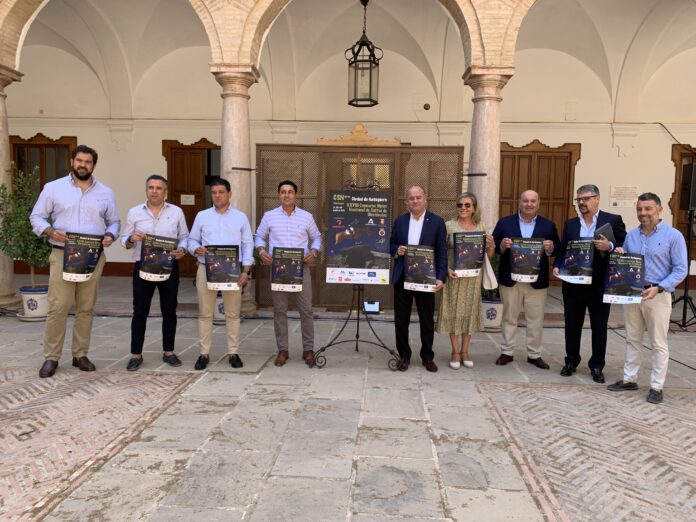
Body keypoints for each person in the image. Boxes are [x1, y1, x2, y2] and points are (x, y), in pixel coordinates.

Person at [29, 145, 120, 378]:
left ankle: (80, 354)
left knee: (86, 307)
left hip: (92, 256)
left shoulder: (105, 192)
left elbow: (114, 221)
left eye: (88, 162)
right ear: (72, 162)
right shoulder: (53, 188)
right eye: (79, 160)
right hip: (62, 254)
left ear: (93, 165)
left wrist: (110, 235)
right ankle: (51, 357)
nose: (83, 165)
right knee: (58, 307)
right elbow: (36, 216)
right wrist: (49, 231)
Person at [607, 193, 687, 404]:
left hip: (657, 295)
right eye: (640, 209)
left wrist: (660, 288)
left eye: (648, 209)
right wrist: (621, 254)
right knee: (632, 338)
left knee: (658, 342)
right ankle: (629, 378)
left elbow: (681, 269)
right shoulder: (632, 235)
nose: (643, 213)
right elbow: (628, 262)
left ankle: (656, 386)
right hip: (632, 293)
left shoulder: (673, 236)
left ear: (659, 209)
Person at [552, 184, 626, 383]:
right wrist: (558, 265)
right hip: (573, 282)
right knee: (572, 324)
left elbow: (624, 245)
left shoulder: (612, 220)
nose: (582, 203)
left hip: (600, 283)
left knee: (599, 326)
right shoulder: (570, 224)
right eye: (579, 200)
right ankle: (571, 361)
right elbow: (563, 249)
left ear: (597, 199)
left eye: (585, 199)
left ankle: (596, 366)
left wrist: (609, 246)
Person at [121, 175, 189, 371]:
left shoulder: (176, 212)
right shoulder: (134, 212)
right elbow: (124, 239)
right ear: (146, 191)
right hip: (142, 267)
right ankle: (136, 354)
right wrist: (132, 239)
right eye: (151, 187)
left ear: (165, 192)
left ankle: (169, 351)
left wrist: (182, 250)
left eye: (159, 188)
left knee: (169, 310)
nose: (154, 191)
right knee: (140, 311)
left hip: (168, 267)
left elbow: (184, 237)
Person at [188, 178, 254, 370]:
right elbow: (192, 240)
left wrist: (246, 270)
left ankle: (233, 353)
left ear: (229, 194)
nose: (217, 195)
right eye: (214, 192)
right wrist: (196, 249)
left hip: (232, 271)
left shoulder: (241, 217)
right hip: (206, 270)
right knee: (205, 313)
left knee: (232, 314)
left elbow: (248, 244)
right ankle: (204, 353)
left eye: (221, 192)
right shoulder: (202, 216)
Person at [255, 180, 321, 368]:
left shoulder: (307, 217)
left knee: (306, 310)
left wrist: (313, 252)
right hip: (279, 269)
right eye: (283, 192)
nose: (286, 195)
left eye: (290, 192)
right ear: (279, 195)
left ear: (295, 195)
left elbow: (317, 237)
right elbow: (259, 236)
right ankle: (282, 349)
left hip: (301, 268)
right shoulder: (269, 216)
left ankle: (308, 349)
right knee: (280, 310)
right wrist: (261, 251)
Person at [492, 190, 560, 369]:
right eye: (525, 201)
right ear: (519, 203)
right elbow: (494, 246)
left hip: (536, 280)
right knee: (509, 316)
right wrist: (502, 245)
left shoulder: (548, 225)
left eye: (532, 201)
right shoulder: (505, 222)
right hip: (510, 278)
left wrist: (551, 247)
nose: (529, 204)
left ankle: (534, 354)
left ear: (538, 204)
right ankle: (507, 351)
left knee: (535, 318)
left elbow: (558, 247)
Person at [390, 185, 447, 372]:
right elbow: (391, 245)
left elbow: (441, 252)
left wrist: (441, 278)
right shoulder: (400, 221)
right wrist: (396, 251)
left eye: (418, 197)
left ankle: (427, 356)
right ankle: (404, 355)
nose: (415, 201)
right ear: (407, 202)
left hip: (426, 279)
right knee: (401, 320)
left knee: (426, 319)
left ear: (425, 199)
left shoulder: (437, 222)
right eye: (411, 198)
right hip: (403, 277)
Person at [437, 192, 494, 369]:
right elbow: (440, 252)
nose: (463, 208)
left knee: (468, 312)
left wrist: (491, 245)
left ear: (474, 208)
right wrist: (446, 270)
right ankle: (455, 352)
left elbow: (487, 257)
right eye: (460, 205)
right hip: (454, 276)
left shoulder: (481, 227)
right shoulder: (448, 226)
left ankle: (465, 351)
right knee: (454, 313)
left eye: (467, 205)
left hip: (473, 279)